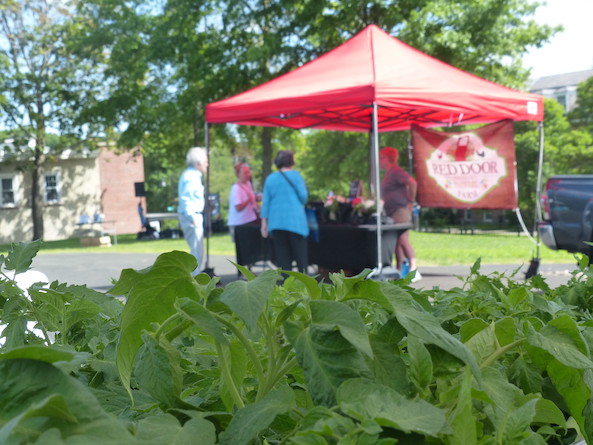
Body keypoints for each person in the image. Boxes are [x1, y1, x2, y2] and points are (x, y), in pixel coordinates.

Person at [260, 150, 309, 273]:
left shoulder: (270, 179)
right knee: (301, 261)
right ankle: (306, 290)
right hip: (295, 223)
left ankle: (285, 290)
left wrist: (264, 224)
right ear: (291, 162)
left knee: (283, 263)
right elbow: (304, 197)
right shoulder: (296, 176)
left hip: (276, 224)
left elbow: (265, 203)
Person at [379, 146, 421, 281]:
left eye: (381, 157)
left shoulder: (396, 171)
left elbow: (412, 183)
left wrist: (411, 201)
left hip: (400, 210)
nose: (379, 160)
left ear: (389, 158)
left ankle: (413, 269)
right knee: (396, 241)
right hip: (392, 211)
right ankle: (398, 270)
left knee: (402, 238)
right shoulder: (389, 173)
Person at [178, 146, 208, 275]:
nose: (207, 164)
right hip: (192, 216)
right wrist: (192, 217)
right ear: (199, 163)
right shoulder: (191, 176)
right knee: (196, 254)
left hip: (193, 215)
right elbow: (186, 198)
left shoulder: (192, 175)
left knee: (198, 253)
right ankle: (194, 283)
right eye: (206, 161)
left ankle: (195, 281)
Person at [228, 163, 260, 271]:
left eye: (248, 172)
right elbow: (238, 207)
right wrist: (250, 199)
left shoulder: (248, 185)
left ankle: (249, 270)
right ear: (238, 175)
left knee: (250, 248)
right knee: (243, 250)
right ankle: (242, 272)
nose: (248, 175)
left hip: (250, 219)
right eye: (245, 173)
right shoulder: (236, 188)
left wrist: (255, 198)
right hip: (240, 223)